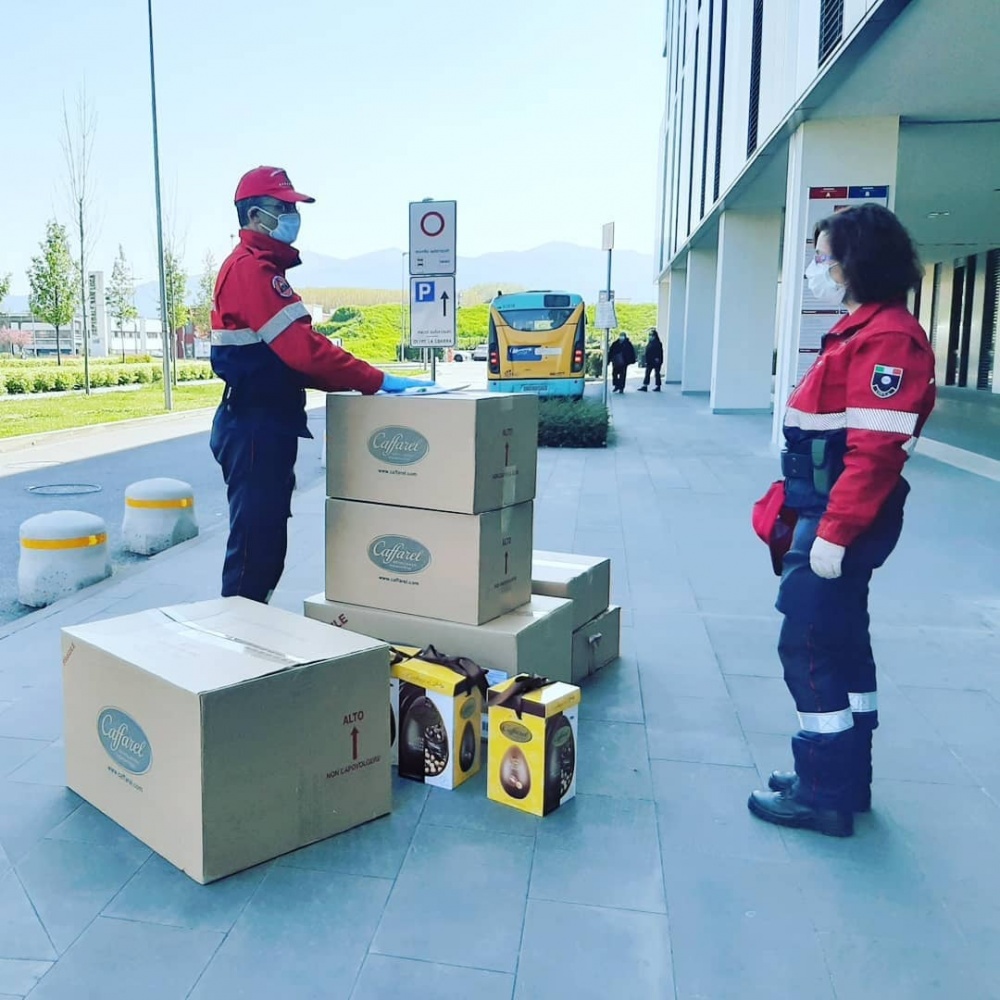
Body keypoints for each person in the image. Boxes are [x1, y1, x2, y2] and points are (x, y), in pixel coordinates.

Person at [748, 204, 936, 838]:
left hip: (840, 519)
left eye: (825, 258)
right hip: (829, 510)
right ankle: (842, 779)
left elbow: (875, 450)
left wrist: (832, 534)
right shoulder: (865, 330)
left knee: (806, 643)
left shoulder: (886, 339)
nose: (815, 270)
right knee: (843, 642)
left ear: (857, 262)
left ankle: (822, 793)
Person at [210, 165, 434, 604]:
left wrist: (367, 382)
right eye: (283, 207)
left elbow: (297, 360)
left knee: (266, 536)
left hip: (261, 420)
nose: (293, 215)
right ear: (255, 216)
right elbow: (303, 352)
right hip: (255, 424)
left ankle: (248, 629)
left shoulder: (259, 268)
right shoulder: (252, 271)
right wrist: (377, 380)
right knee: (256, 546)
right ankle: (235, 639)